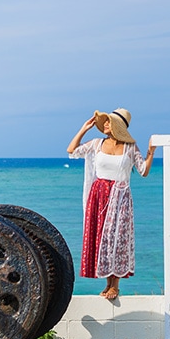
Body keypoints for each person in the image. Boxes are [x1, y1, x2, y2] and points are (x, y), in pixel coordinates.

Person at [67, 108, 155, 300]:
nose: (104, 124)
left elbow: (143, 171)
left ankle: (115, 285)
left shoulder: (130, 148)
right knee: (101, 238)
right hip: (98, 196)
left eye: (108, 121)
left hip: (120, 197)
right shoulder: (97, 144)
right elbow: (72, 151)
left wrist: (151, 152)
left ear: (117, 125)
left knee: (118, 239)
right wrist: (84, 129)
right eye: (104, 121)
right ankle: (107, 283)